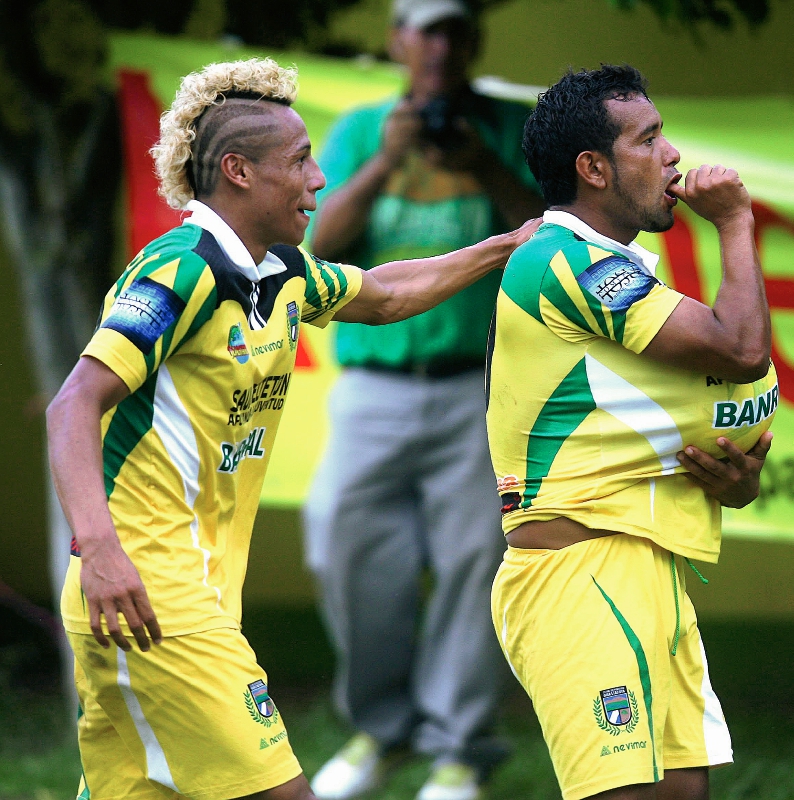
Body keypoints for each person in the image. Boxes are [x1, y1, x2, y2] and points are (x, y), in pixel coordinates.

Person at [46, 57, 536, 800]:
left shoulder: (281, 274)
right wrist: (101, 547)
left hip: (180, 595)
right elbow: (72, 404)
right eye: (301, 162)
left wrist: (507, 245)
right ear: (239, 172)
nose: (317, 181)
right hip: (150, 591)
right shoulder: (183, 270)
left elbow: (386, 292)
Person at [487, 65, 777, 800]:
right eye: (648, 139)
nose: (672, 155)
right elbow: (743, 349)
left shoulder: (620, 271)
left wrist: (737, 480)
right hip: (578, 576)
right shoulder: (563, 260)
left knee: (682, 794)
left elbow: (692, 425)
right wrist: (737, 223)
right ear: (593, 168)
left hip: (656, 572)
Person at [300, 0, 543, 797]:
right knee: (343, 548)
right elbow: (317, 250)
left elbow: (549, 234)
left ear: (473, 40)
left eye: (455, 29)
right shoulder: (363, 129)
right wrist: (383, 164)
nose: (440, 44)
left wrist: (486, 166)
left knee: (478, 565)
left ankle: (458, 747)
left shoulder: (512, 127)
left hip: (480, 386)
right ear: (397, 38)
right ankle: (382, 730)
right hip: (375, 385)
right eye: (425, 28)